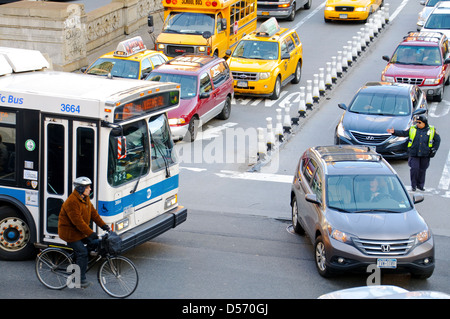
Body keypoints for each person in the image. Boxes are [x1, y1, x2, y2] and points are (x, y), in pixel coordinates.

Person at [58, 177, 110, 288]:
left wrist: (104, 226)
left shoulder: (85, 199)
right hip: (70, 234)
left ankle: (79, 263)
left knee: (94, 243)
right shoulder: (72, 202)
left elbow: (94, 214)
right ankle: (79, 279)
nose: (90, 189)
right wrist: (91, 233)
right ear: (81, 189)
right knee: (83, 253)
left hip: (80, 232)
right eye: (88, 187)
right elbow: (78, 223)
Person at [387, 115, 440, 191]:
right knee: (414, 169)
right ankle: (414, 185)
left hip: (425, 154)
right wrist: (394, 132)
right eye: (417, 122)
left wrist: (434, 149)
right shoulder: (413, 128)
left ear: (424, 123)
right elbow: (404, 133)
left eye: (419, 122)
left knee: (422, 170)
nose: (417, 124)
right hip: (414, 153)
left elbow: (437, 140)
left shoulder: (431, 130)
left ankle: (420, 185)